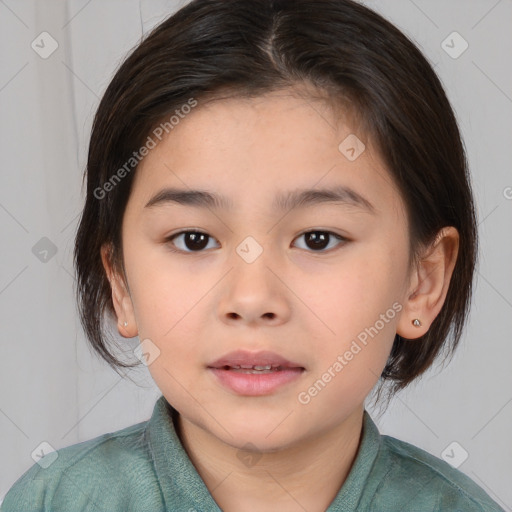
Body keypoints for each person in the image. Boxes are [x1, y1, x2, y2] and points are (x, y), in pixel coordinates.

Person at [1, 0, 505, 510]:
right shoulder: (51, 500)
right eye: (194, 239)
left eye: (317, 239)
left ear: (422, 280)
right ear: (121, 283)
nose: (251, 299)